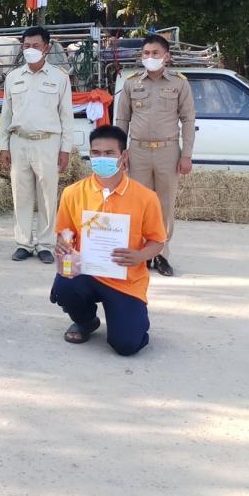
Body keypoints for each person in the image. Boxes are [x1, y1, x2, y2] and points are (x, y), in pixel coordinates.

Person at [51, 126, 166, 356]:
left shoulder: (146, 198)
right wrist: (63, 244)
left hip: (125, 279)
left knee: (127, 345)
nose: (101, 158)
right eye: (96, 153)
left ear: (124, 156)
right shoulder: (73, 193)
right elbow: (65, 232)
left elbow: (157, 241)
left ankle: (130, 320)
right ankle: (86, 321)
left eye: (109, 153)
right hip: (86, 271)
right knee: (64, 287)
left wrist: (140, 256)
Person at [114, 33, 195, 277]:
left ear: (166, 56)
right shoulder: (131, 83)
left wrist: (186, 155)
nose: (150, 57)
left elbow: (188, 120)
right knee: (138, 203)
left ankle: (161, 254)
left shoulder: (179, 83)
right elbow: (122, 119)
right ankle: (141, 254)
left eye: (155, 53)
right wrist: (120, 151)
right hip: (138, 151)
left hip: (168, 152)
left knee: (164, 205)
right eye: (146, 53)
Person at [0, 26, 74, 265]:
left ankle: (45, 244)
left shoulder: (60, 78)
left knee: (47, 196)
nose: (30, 49)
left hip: (47, 142)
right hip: (19, 141)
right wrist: (3, 146)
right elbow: (6, 114)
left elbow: (66, 116)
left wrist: (65, 149)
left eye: (36, 46)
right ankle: (23, 243)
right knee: (20, 194)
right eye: (26, 46)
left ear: (46, 48)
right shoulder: (13, 77)